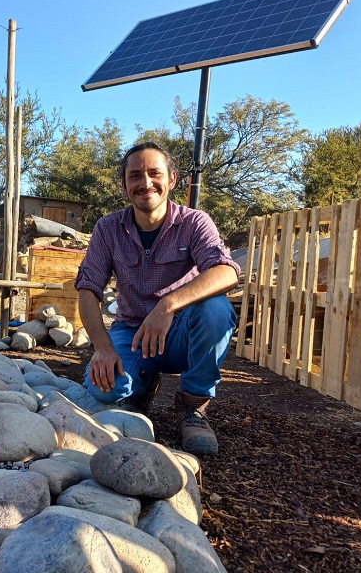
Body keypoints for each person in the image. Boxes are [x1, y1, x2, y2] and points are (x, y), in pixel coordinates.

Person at [74, 141, 240, 456]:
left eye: (154, 173)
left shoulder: (194, 223)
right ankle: (143, 381)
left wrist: (168, 305)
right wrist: (103, 348)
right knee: (103, 390)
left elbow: (226, 272)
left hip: (181, 333)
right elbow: (87, 288)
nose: (145, 183)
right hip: (132, 333)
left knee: (216, 310)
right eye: (135, 176)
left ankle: (193, 405)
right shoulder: (108, 228)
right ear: (124, 185)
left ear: (172, 179)